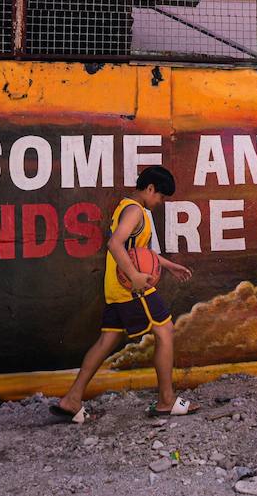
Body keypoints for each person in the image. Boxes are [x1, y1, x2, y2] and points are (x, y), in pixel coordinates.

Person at [52, 165, 196, 421]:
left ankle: (72, 399)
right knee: (165, 330)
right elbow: (114, 244)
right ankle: (166, 400)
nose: (160, 202)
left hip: (116, 286)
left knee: (106, 340)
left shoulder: (125, 206)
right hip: (131, 287)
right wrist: (135, 276)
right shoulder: (135, 211)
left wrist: (167, 265)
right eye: (161, 196)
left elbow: (138, 253)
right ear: (150, 188)